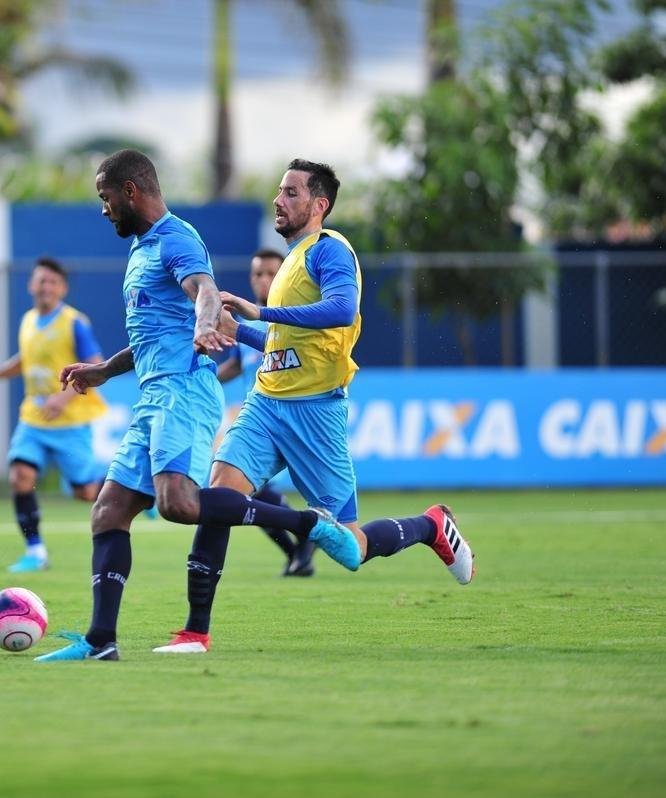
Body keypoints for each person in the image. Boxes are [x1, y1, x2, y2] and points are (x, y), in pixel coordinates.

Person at [33, 150, 360, 663]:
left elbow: (205, 289)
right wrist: (102, 371)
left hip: (184, 390)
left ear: (132, 192)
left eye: (106, 197)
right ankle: (101, 642)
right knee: (109, 511)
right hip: (152, 392)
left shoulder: (177, 238)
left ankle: (303, 525)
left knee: (178, 504)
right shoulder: (141, 248)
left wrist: (207, 323)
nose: (104, 209)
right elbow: (153, 335)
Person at [155, 159, 475, 654]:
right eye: (279, 192)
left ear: (318, 204)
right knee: (218, 498)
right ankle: (195, 631)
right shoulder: (291, 262)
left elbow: (341, 310)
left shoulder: (330, 250)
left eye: (291, 193)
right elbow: (285, 345)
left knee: (349, 549)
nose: (279, 201)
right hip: (266, 404)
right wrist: (238, 331)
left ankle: (431, 525)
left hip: (316, 413)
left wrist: (259, 310)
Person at [0, 257, 108, 573]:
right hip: (34, 418)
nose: (46, 287)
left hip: (71, 421)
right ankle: (35, 551)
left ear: (62, 288)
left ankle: (136, 494)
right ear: (31, 285)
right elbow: (23, 361)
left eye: (53, 282)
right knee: (21, 476)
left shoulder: (74, 323)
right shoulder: (28, 320)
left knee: (85, 492)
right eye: (41, 281)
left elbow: (97, 368)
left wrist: (63, 397)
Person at [216, 248, 316, 577]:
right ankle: (298, 549)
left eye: (271, 273)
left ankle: (304, 537)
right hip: (259, 418)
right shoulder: (246, 318)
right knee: (240, 492)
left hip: (296, 416)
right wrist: (202, 378)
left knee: (246, 493)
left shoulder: (294, 316)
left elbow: (291, 351)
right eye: (257, 273)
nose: (264, 280)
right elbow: (236, 364)